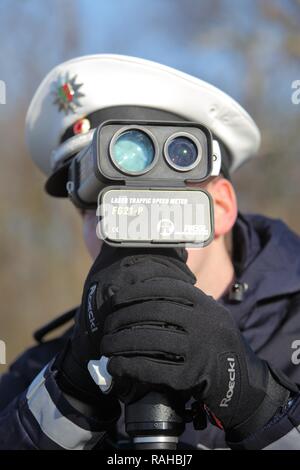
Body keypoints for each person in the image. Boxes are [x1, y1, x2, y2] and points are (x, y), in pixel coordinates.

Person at [1, 54, 300, 450]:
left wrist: (258, 403)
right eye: (95, 204)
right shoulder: (40, 372)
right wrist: (69, 397)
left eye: (156, 190)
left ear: (221, 208)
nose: (122, 218)